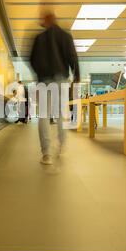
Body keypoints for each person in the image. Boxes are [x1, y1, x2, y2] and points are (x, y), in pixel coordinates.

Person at [29, 10, 80, 165]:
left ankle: (46, 154)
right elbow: (73, 57)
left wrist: (39, 74)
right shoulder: (65, 36)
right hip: (61, 79)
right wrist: (76, 76)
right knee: (60, 115)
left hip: (44, 80)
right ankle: (62, 148)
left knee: (44, 115)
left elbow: (31, 59)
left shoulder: (38, 38)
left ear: (46, 20)